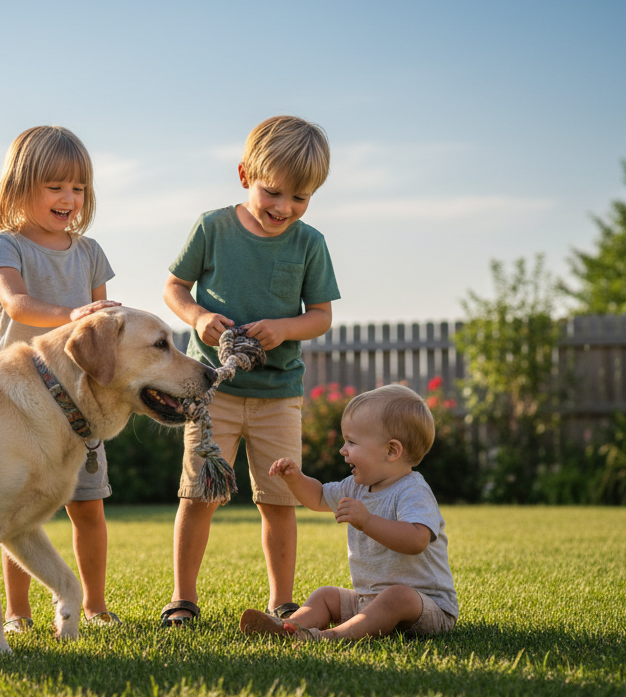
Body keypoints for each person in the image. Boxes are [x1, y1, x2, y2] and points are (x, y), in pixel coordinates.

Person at [160, 115, 340, 627]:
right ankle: (183, 598)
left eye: (299, 198)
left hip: (279, 394)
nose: (284, 208)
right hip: (213, 389)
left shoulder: (310, 244)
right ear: (245, 175)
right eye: (273, 192)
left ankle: (282, 601)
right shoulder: (212, 228)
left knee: (279, 501)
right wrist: (197, 316)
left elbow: (321, 316)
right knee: (198, 495)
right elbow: (174, 287)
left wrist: (285, 329)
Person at [0, 125, 123, 632]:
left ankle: (95, 606)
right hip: (14, 402)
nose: (69, 198)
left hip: (79, 405)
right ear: (20, 187)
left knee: (88, 508)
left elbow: (103, 328)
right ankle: (17, 613)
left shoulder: (89, 253)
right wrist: (72, 312)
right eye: (55, 186)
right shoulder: (8, 245)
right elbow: (15, 302)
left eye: (78, 188)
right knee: (12, 515)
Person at [240, 384, 458, 641]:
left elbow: (417, 540)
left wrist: (367, 521)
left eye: (352, 442)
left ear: (391, 451)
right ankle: (287, 627)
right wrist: (295, 479)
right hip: (369, 600)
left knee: (396, 595)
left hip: (425, 607)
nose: (343, 450)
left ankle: (328, 636)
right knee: (326, 595)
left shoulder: (412, 491)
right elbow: (319, 496)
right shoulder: (355, 486)